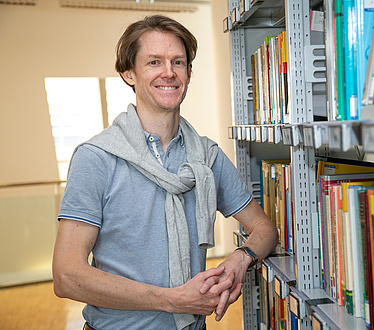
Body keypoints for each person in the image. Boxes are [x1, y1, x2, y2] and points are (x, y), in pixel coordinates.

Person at [52, 14, 278, 330]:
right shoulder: (96, 158)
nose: (169, 73)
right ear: (128, 73)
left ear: (188, 72)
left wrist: (242, 259)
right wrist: (169, 299)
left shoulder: (207, 157)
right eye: (154, 62)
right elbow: (67, 277)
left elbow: (265, 228)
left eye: (178, 62)